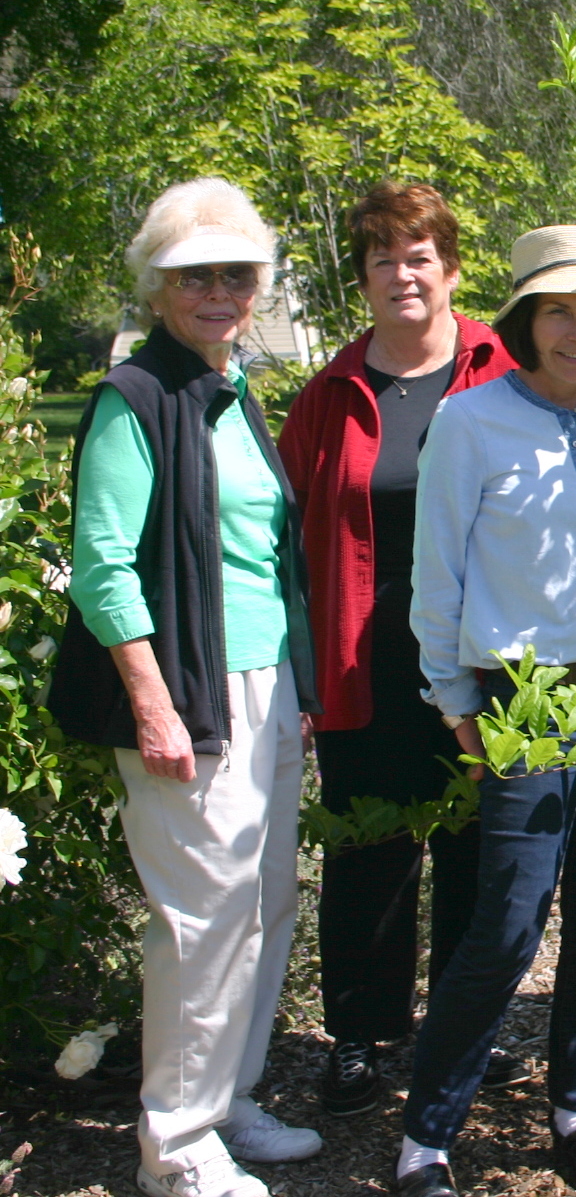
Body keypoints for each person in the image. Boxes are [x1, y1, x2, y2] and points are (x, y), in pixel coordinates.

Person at [50, 178, 322, 1197]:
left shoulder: (232, 389)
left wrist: (292, 682)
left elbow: (262, 558)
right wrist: (155, 704)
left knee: (262, 903)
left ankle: (228, 1099)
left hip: (263, 691)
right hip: (188, 696)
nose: (220, 290)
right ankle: (177, 1145)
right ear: (159, 288)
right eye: (195, 274)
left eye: (238, 274)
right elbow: (104, 563)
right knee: (201, 919)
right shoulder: (137, 399)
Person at [396, 225, 576, 1197]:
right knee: (511, 919)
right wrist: (453, 700)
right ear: (524, 318)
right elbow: (437, 583)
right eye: (560, 309)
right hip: (532, 692)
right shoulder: (470, 425)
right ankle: (425, 1140)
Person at [277, 182, 519, 1117]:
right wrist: (299, 673)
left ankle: (464, 1027)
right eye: (383, 258)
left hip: (480, 659)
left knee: (475, 846)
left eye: (419, 256)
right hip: (364, 663)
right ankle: (359, 1036)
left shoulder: (502, 372)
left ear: (451, 269)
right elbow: (288, 541)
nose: (402, 274)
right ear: (365, 278)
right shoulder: (329, 395)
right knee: (371, 847)